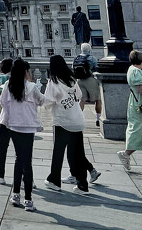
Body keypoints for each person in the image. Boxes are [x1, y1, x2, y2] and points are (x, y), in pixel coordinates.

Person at [43, 55, 100, 195]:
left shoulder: (53, 82)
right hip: (77, 121)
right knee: (78, 154)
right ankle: (82, 185)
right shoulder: (72, 80)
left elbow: (47, 102)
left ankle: (54, 181)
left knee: (58, 153)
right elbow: (79, 96)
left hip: (62, 122)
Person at [0, 59, 46, 212]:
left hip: (14, 126)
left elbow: (2, 102)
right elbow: (42, 101)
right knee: (27, 161)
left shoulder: (8, 85)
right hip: (29, 126)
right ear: (26, 72)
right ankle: (29, 199)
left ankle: (16, 194)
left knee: (19, 159)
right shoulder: (31, 87)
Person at [0, 58, 14, 185]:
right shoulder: (23, 79)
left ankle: (0, 174)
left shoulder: (3, 79)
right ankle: (25, 178)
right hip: (20, 120)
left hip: (5, 117)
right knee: (20, 151)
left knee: (2, 147)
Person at [74, 43, 102, 127]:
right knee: (98, 99)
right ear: (89, 49)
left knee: (82, 100)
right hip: (90, 79)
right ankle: (98, 119)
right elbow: (97, 69)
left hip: (79, 80)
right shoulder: (92, 58)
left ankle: (78, 118)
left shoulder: (76, 58)